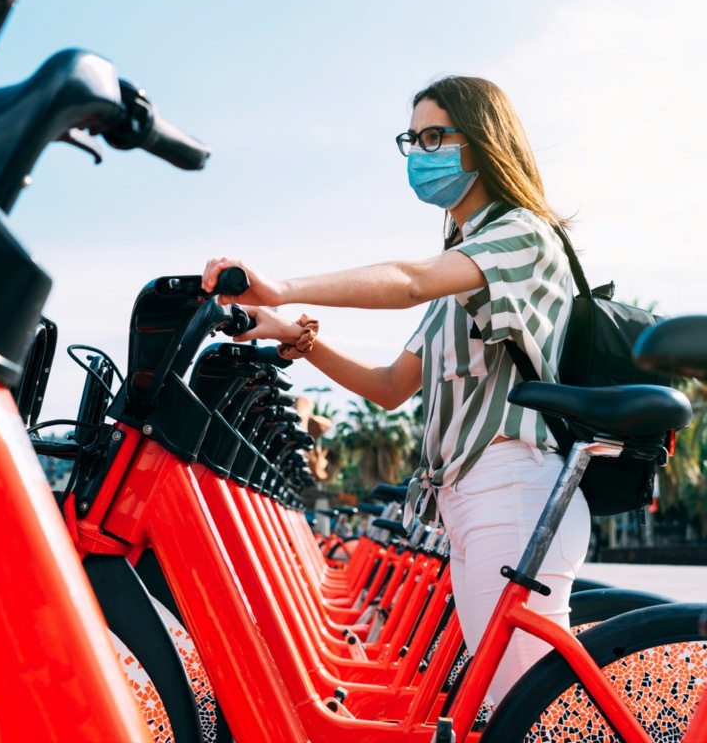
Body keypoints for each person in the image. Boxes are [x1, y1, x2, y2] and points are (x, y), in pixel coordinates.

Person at [200, 75, 590, 706]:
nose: (420, 153)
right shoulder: (463, 265)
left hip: (514, 486)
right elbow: (389, 387)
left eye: (435, 135)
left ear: (484, 140)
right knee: (499, 705)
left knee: (526, 709)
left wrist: (283, 287)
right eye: (412, 140)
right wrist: (292, 335)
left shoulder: (523, 233)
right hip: (467, 497)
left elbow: (408, 280)